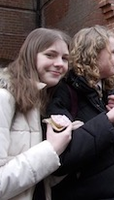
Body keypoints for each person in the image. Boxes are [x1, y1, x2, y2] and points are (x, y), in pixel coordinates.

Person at [46, 25, 114, 200]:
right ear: (93, 54)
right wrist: (108, 121)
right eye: (112, 52)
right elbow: (59, 159)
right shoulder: (64, 92)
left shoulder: (106, 89)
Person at [0, 28, 73, 199]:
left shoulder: (40, 100)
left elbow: (39, 179)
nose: (60, 64)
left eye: (65, 58)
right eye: (50, 55)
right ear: (30, 55)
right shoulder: (4, 98)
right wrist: (52, 149)